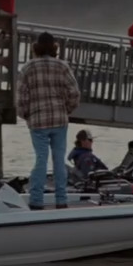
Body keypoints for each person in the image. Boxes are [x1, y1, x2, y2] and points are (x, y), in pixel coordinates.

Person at [17, 32, 81, 210]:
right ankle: (61, 200)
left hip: (38, 122)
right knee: (59, 160)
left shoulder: (27, 68)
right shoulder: (62, 66)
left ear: (36, 47)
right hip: (59, 120)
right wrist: (66, 110)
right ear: (54, 47)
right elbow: (74, 93)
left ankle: (36, 200)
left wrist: (27, 115)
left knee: (41, 159)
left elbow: (21, 98)